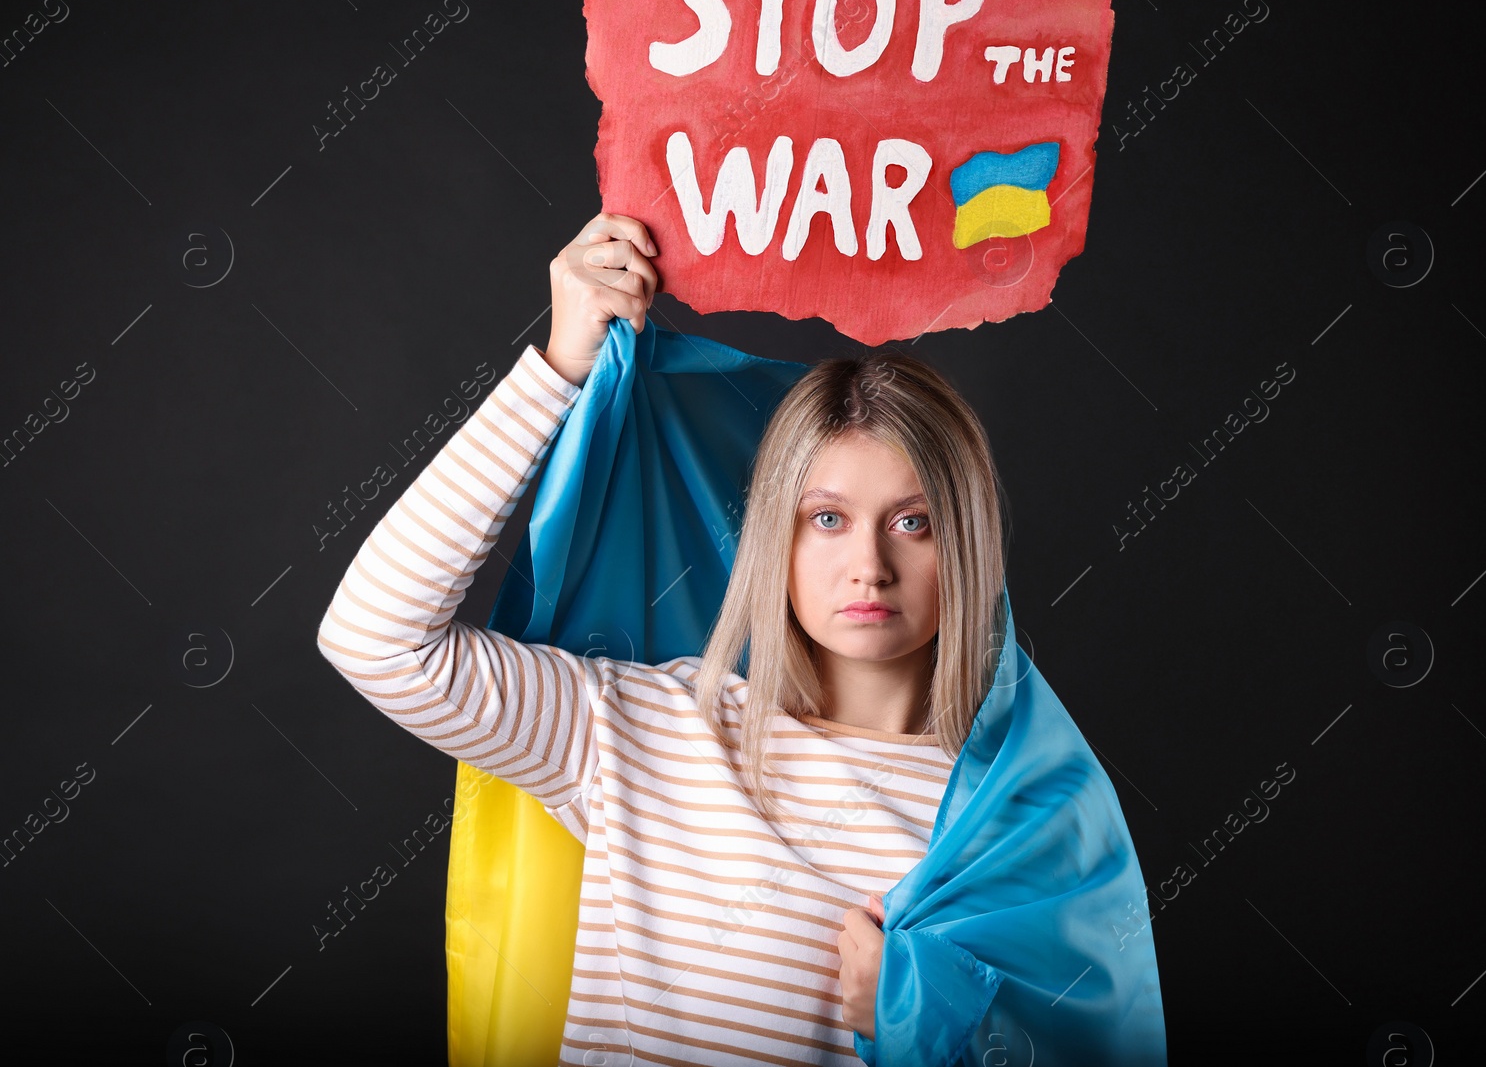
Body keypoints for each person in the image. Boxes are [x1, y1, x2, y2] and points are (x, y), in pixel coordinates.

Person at [316, 212, 1009, 1065]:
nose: (868, 564)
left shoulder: (1016, 815)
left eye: (914, 522)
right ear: (774, 543)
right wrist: (558, 372)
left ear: (967, 543)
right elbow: (377, 639)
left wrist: (920, 1031)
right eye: (826, 518)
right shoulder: (647, 727)